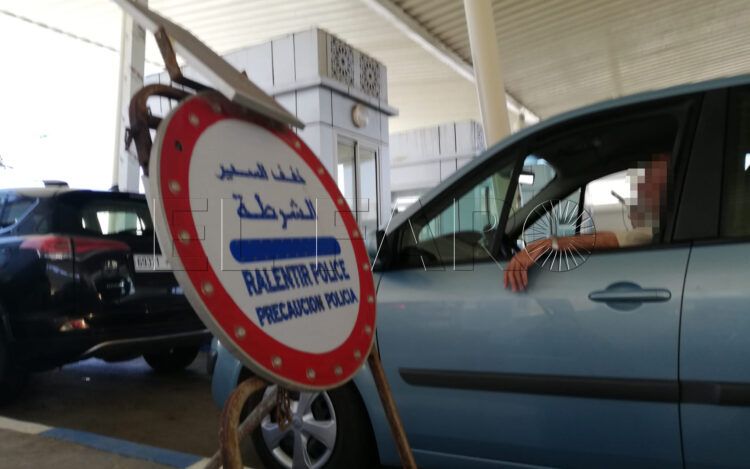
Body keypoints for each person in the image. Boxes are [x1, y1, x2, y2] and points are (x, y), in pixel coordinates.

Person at [503, 153, 669, 292]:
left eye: (648, 183)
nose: (638, 191)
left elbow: (613, 240)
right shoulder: (663, 232)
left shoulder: (651, 234)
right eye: (639, 183)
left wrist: (549, 244)